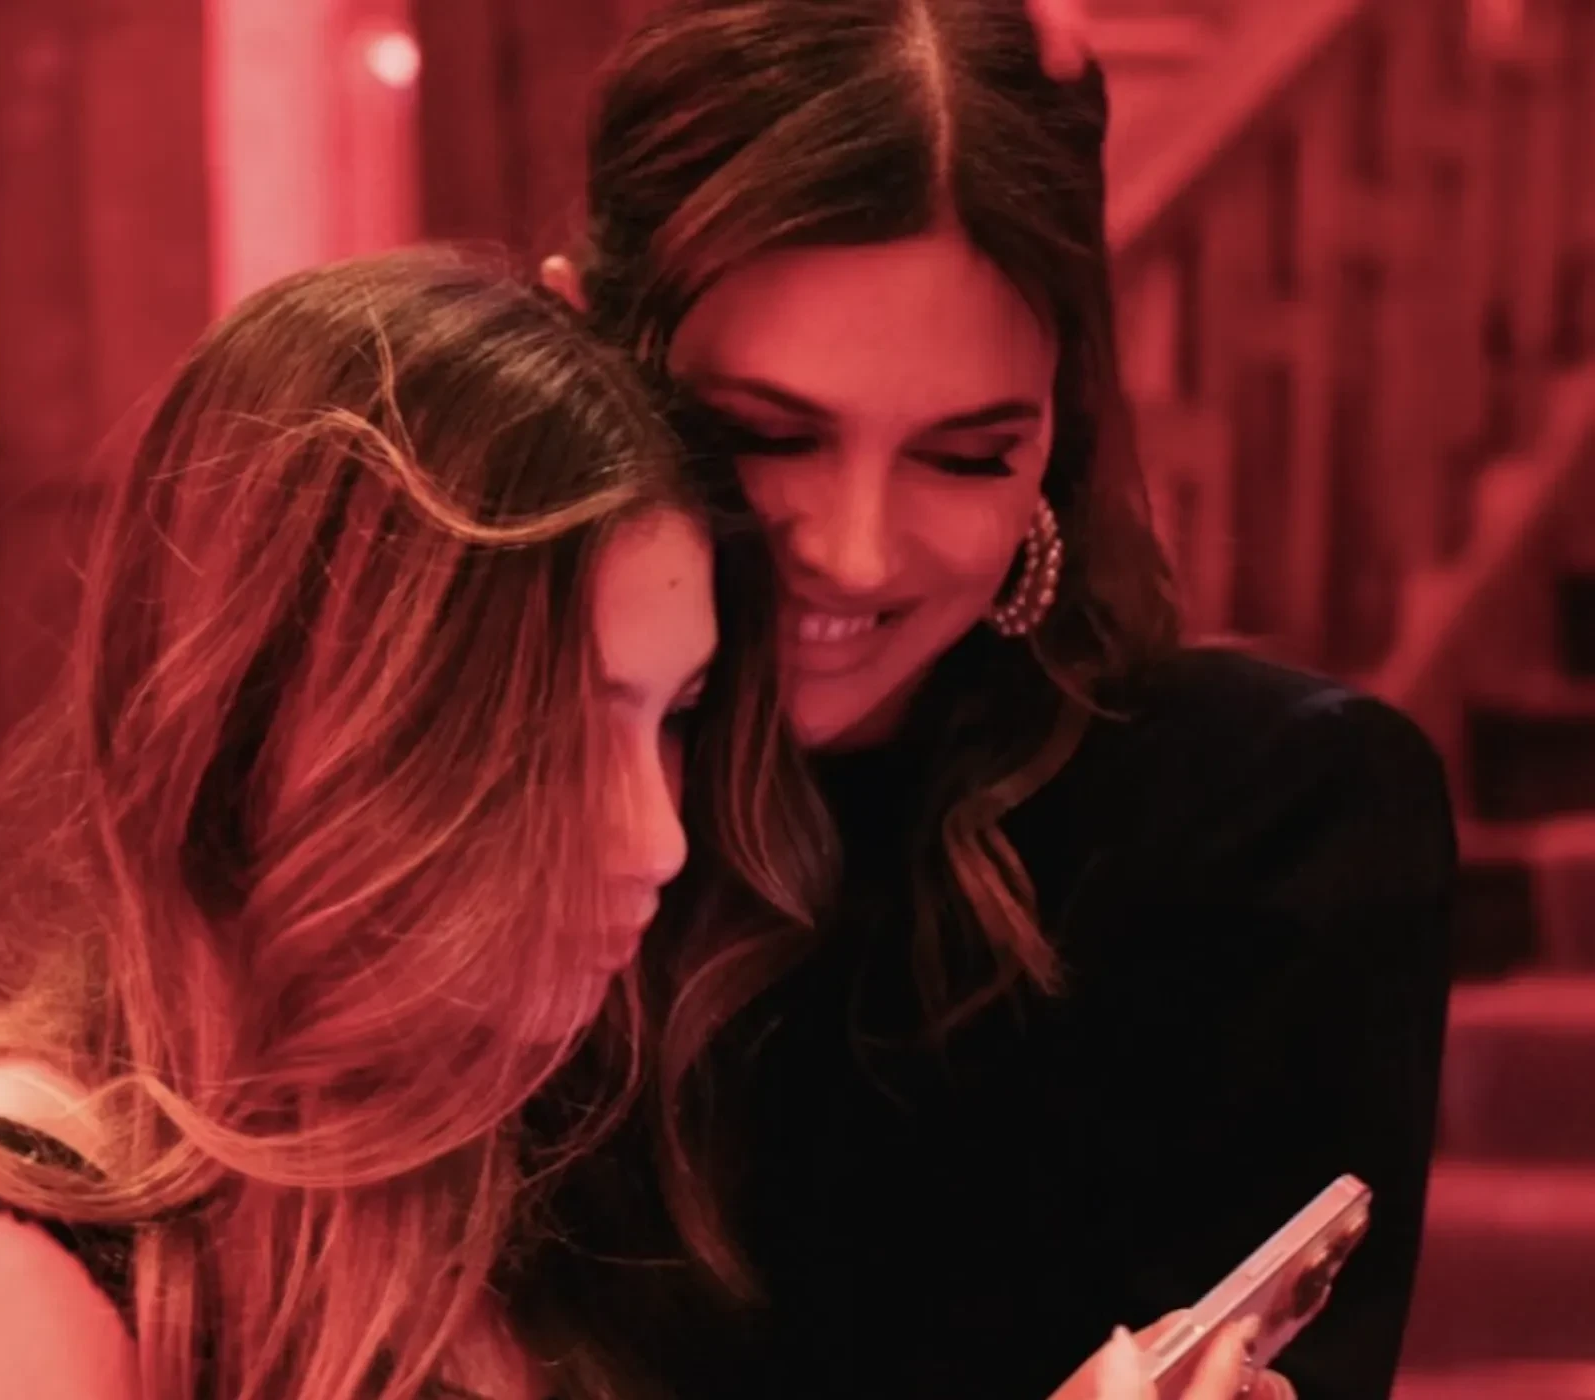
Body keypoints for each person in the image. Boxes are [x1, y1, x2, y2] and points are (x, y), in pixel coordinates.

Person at [520, 2, 1456, 1398]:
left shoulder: (1265, 826)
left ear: (1056, 433)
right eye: (763, 435)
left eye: (964, 456)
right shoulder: (457, 817)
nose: (854, 552)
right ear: (578, 352)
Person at [0, 248, 728, 1400]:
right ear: (306, 719)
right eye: (561, 728)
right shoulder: (3, 1249)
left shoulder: (524, 1175)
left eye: (675, 717)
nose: (658, 839)